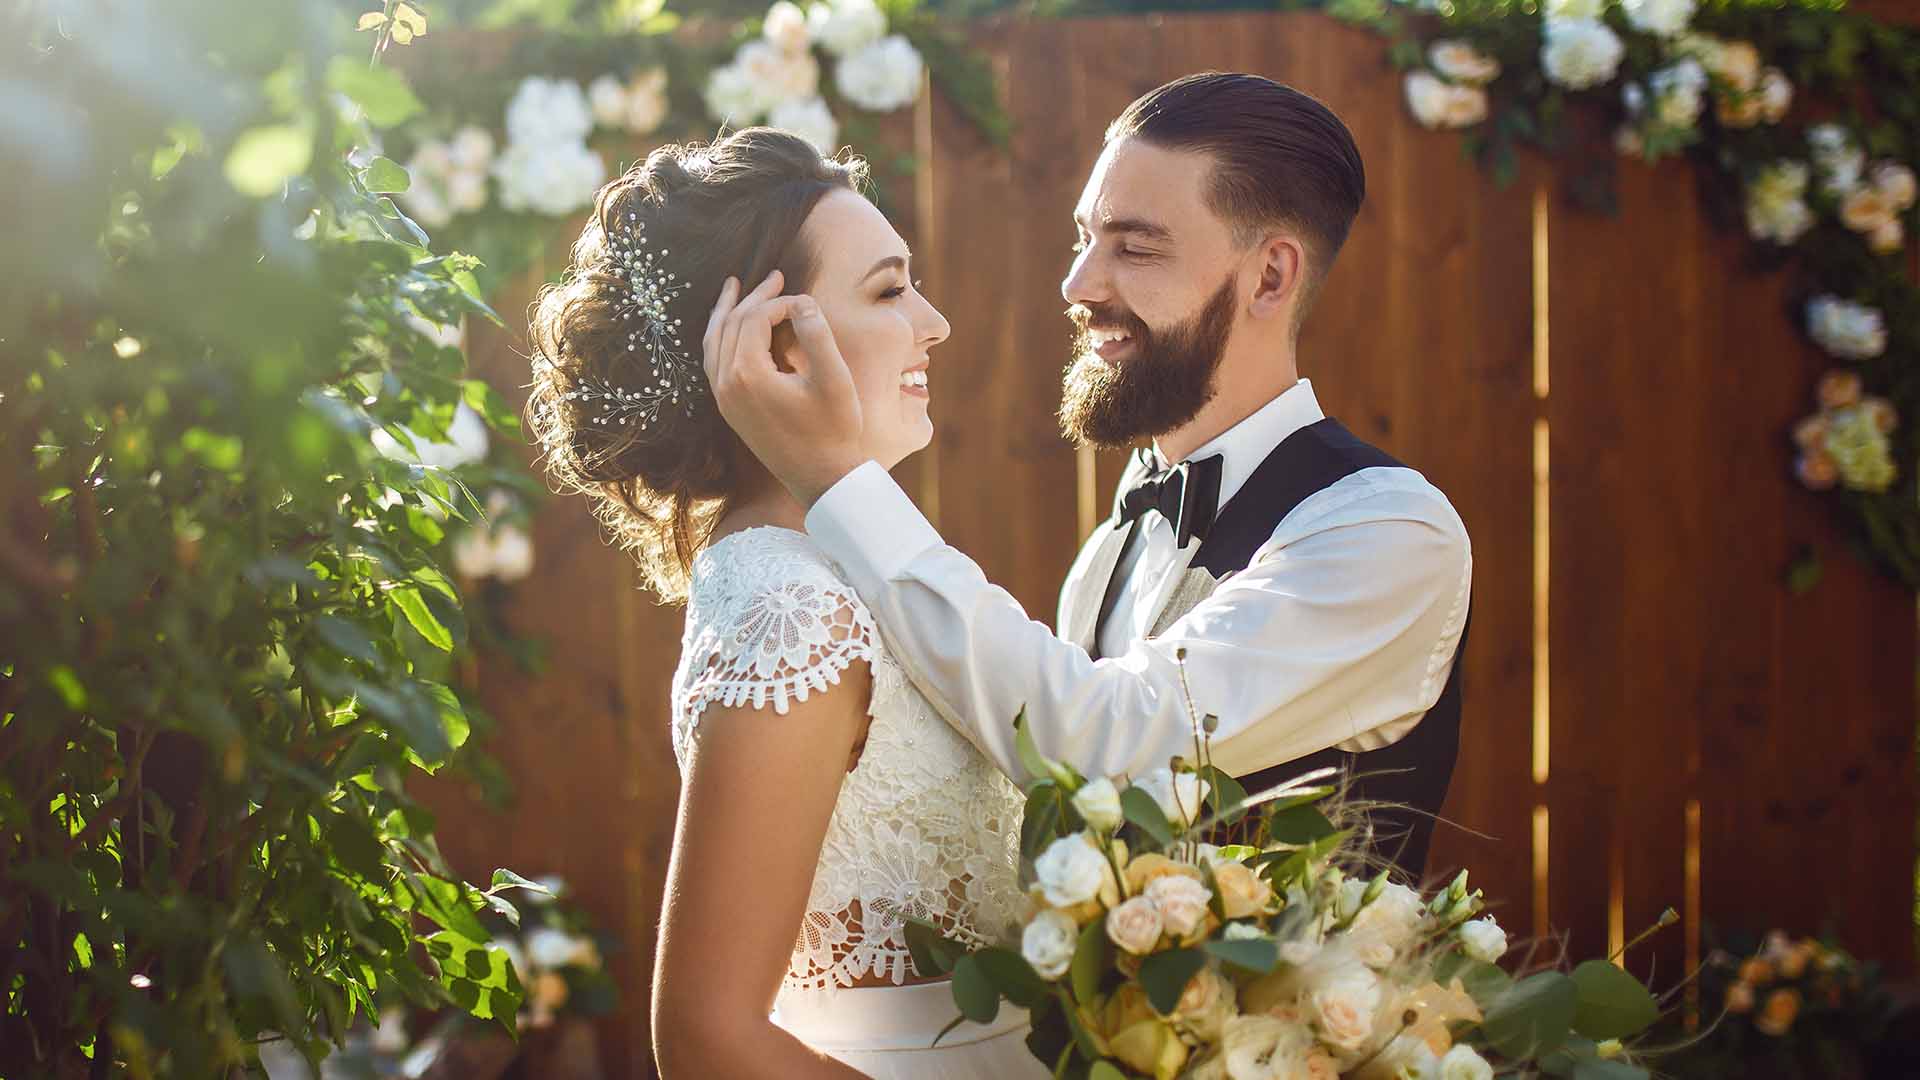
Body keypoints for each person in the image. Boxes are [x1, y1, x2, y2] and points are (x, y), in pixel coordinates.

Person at [703, 73, 1474, 880]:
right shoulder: (1115, 544)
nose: (1078, 285)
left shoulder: (1387, 531)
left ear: (1271, 278)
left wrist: (837, 481)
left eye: (1135, 247)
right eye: (1085, 238)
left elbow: (1104, 745)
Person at [526, 128, 1037, 1078]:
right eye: (889, 290)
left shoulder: (838, 570)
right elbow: (708, 1036)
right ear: (775, 345)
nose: (936, 323)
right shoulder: (789, 603)